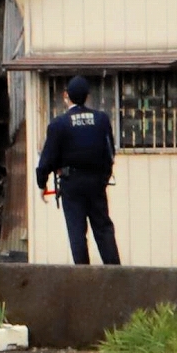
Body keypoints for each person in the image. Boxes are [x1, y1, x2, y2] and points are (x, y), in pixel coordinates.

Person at [35, 75, 121, 265]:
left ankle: (83, 274)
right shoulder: (101, 119)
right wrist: (104, 176)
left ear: (66, 96)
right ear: (88, 96)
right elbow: (109, 152)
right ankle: (116, 272)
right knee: (103, 227)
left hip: (71, 183)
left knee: (77, 230)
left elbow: (47, 158)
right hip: (97, 182)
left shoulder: (59, 124)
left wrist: (42, 182)